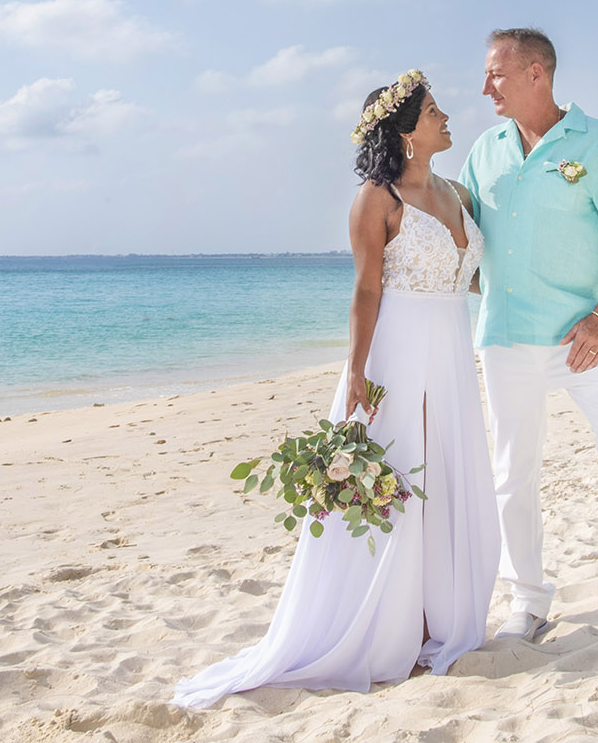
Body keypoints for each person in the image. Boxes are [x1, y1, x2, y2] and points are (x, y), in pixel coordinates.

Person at [173, 72, 498, 708]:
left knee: (448, 478)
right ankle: (380, 625)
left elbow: (477, 275)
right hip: (396, 351)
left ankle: (436, 620)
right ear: (406, 130)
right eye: (434, 110)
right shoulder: (375, 198)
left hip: (453, 353)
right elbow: (367, 289)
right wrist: (356, 371)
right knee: (395, 479)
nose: (446, 116)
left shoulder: (456, 191)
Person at [459, 28, 598, 640]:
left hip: (584, 338)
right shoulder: (484, 150)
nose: (486, 87)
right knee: (513, 469)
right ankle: (527, 602)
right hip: (505, 337)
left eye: (497, 74)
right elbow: (464, 238)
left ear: (538, 73)